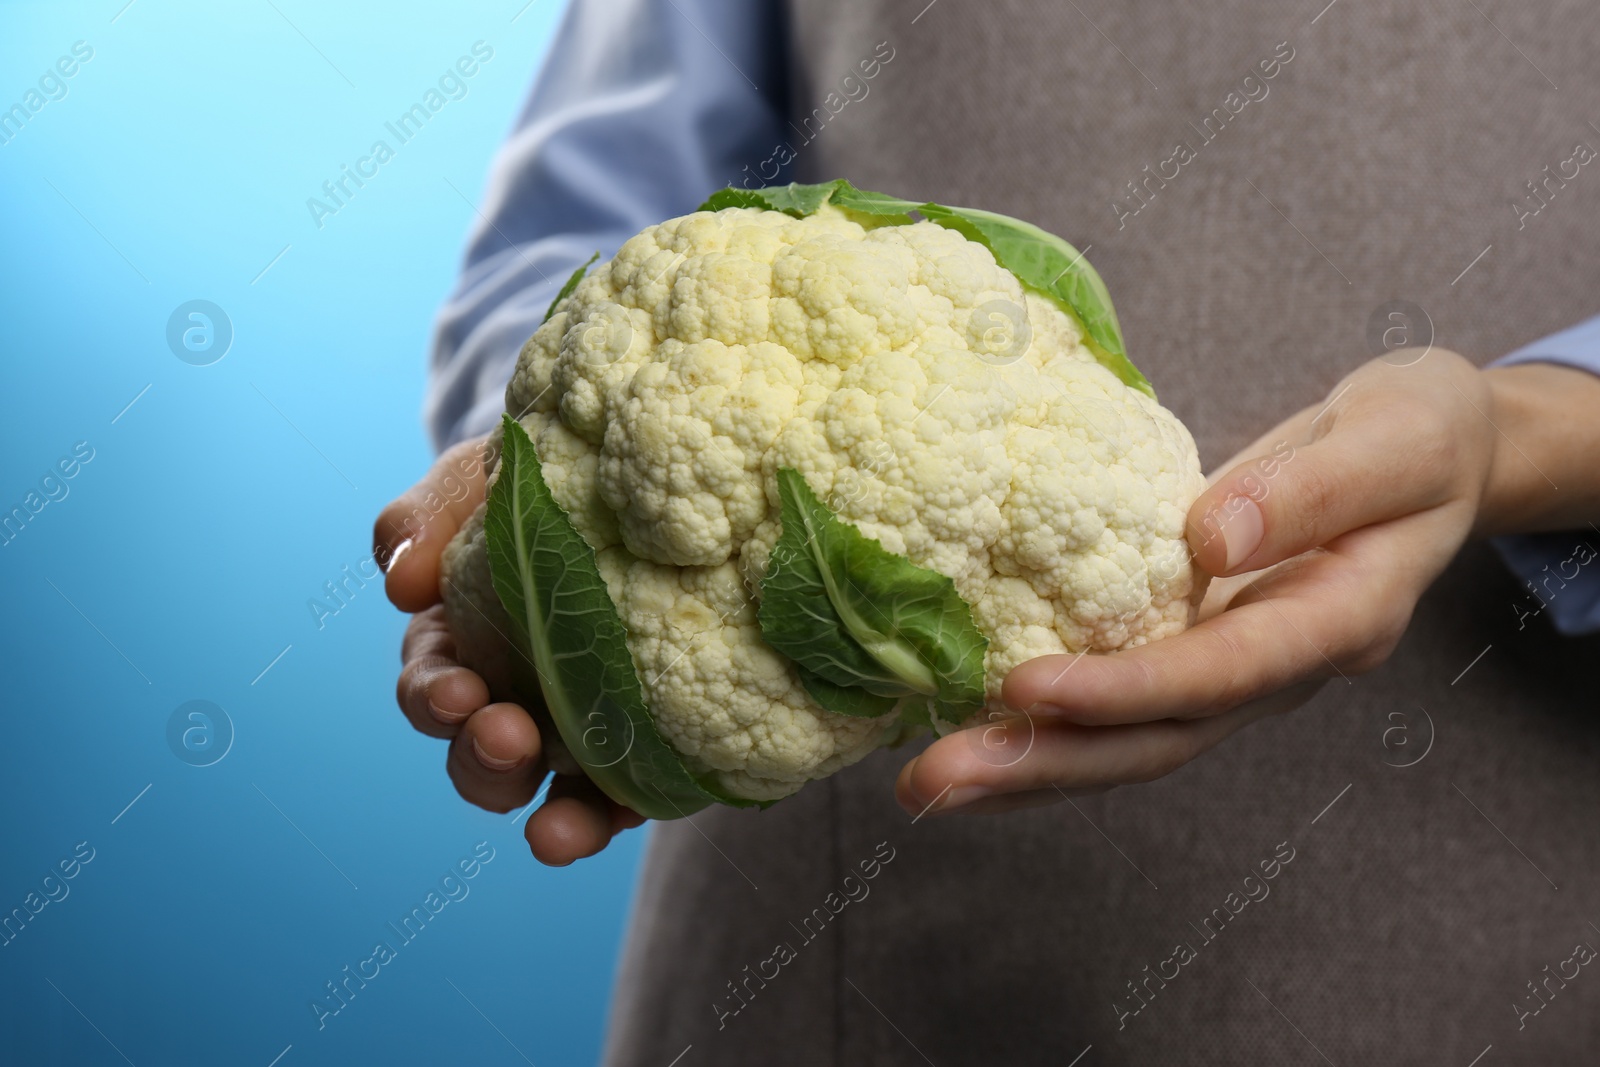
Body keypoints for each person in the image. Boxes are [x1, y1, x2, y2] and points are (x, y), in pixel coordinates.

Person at [374, 1, 1600, 1062]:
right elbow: (559, 234)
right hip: (834, 950)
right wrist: (543, 498)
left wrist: (1526, 428)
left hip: (1513, 901)